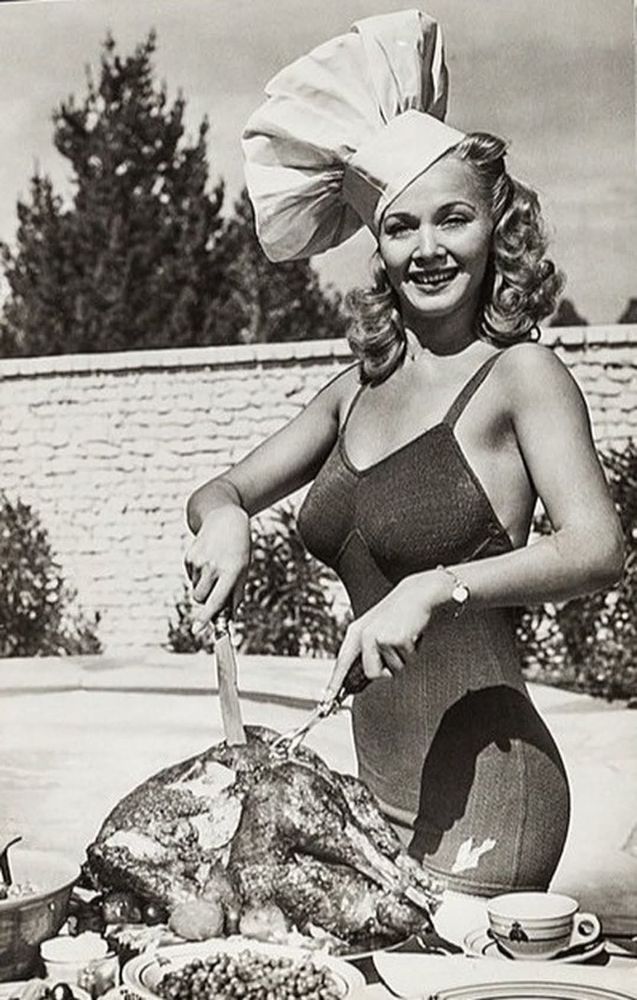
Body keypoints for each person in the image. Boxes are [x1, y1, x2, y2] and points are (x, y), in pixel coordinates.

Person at [185, 11, 623, 920]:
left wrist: (435, 587)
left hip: (493, 796)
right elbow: (221, 489)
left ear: (495, 226)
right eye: (399, 227)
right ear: (375, 248)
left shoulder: (521, 375)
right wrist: (224, 519)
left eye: (452, 218)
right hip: (370, 798)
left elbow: (596, 550)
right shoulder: (356, 389)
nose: (427, 248)